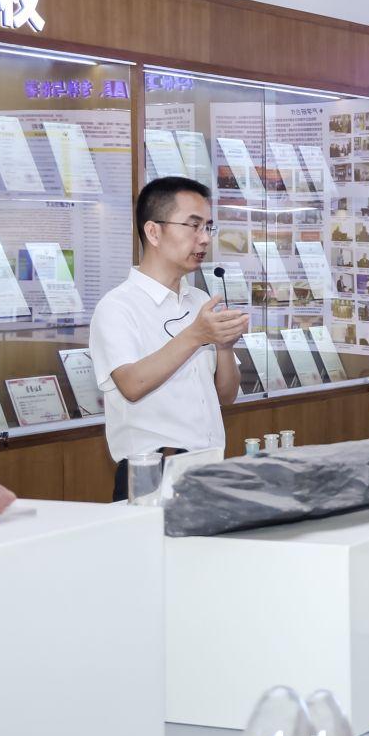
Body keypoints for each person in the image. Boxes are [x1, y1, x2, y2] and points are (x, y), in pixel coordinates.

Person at [89, 176, 247, 500]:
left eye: (208, 227)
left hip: (208, 467)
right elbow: (132, 385)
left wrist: (224, 348)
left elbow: (226, 395)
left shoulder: (200, 301)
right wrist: (196, 335)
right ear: (154, 232)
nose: (204, 239)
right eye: (193, 226)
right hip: (151, 473)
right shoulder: (117, 307)